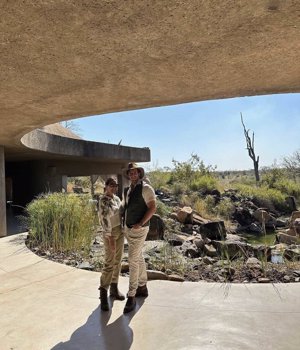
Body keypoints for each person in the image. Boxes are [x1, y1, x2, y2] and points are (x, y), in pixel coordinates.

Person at [122, 163, 156, 313]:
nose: (133, 175)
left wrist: (141, 223)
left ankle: (132, 295)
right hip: (128, 229)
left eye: (135, 172)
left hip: (140, 229)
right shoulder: (128, 190)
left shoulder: (146, 188)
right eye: (130, 173)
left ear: (139, 173)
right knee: (138, 256)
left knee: (132, 260)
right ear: (128, 175)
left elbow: (153, 207)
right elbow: (126, 207)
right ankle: (143, 286)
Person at [98, 177, 125, 311]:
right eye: (111, 185)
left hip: (120, 231)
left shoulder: (117, 199)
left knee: (118, 261)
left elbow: (121, 214)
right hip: (111, 234)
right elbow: (104, 221)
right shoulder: (103, 201)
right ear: (106, 186)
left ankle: (114, 288)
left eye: (116, 185)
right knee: (109, 262)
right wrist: (110, 239)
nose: (114, 187)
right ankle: (103, 292)